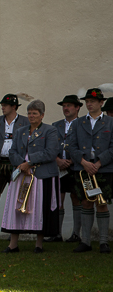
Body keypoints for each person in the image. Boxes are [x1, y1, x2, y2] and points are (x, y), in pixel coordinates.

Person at [1, 100, 60, 253]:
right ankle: (13, 245)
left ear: (42, 115)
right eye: (29, 113)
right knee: (17, 207)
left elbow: (51, 152)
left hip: (41, 175)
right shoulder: (21, 131)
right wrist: (22, 164)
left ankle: (38, 245)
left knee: (39, 208)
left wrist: (30, 162)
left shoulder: (50, 130)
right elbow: (12, 152)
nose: (31, 116)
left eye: (35, 113)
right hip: (21, 174)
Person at [66, 88, 113, 253]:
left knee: (102, 203)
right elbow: (71, 145)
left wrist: (99, 163)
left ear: (101, 103)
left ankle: (103, 242)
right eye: (87, 102)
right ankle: (85, 241)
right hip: (83, 168)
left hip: (104, 168)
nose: (89, 104)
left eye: (92, 101)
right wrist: (84, 162)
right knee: (85, 202)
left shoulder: (110, 122)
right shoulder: (78, 123)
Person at [0, 94, 30, 241]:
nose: (2, 107)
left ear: (14, 107)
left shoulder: (25, 121)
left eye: (5, 105)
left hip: (16, 164)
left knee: (16, 198)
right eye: (2, 105)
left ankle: (14, 231)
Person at [48, 94, 83, 243]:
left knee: (76, 198)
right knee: (58, 199)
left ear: (77, 107)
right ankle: (57, 233)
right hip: (59, 167)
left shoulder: (83, 124)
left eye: (69, 105)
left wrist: (72, 160)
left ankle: (76, 233)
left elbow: (84, 145)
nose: (66, 108)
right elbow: (50, 146)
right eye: (64, 106)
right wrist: (57, 160)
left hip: (76, 167)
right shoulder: (56, 125)